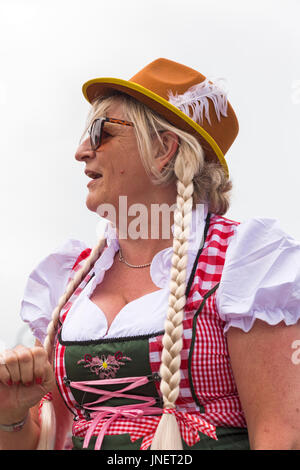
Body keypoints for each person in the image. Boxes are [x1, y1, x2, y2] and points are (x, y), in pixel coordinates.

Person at [0, 58, 300, 451]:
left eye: (100, 130)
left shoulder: (243, 265)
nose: (81, 151)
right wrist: (11, 418)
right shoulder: (67, 281)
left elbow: (281, 437)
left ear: (163, 149)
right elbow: (48, 441)